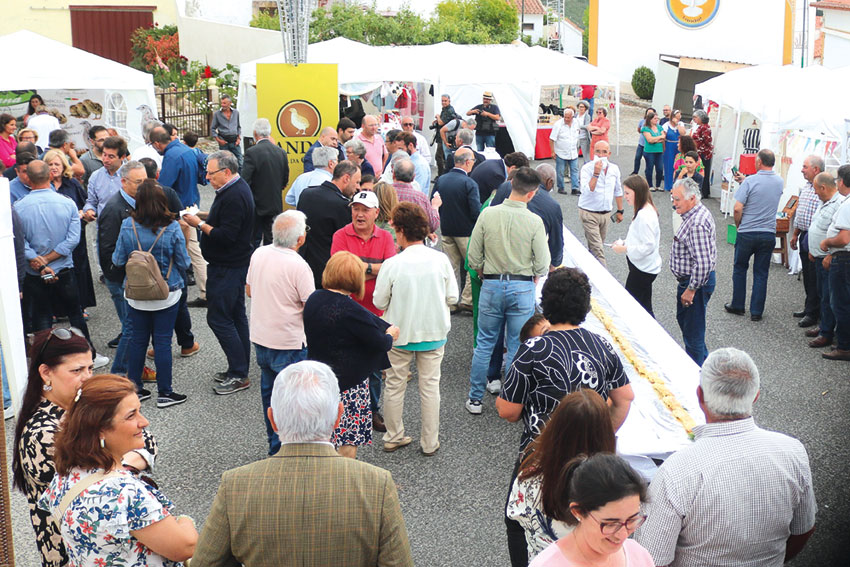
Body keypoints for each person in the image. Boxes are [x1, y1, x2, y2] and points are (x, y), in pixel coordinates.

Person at [190, 360, 413, 566]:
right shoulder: (377, 484)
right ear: (338, 417)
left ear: (273, 420)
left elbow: (205, 562)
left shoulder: (235, 485)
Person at [636, 348, 816, 565]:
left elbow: (650, 558)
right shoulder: (792, 452)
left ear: (700, 396)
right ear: (755, 396)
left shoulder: (675, 471)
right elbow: (804, 529)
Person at [13, 330, 156, 567]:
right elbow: (97, 489)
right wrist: (130, 463)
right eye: (77, 370)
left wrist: (122, 463)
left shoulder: (80, 407)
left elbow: (146, 440)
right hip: (75, 552)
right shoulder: (42, 433)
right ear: (46, 372)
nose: (87, 378)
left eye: (90, 368)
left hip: (106, 542)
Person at [40, 375, 197, 566]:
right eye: (131, 415)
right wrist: (185, 520)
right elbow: (185, 547)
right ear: (100, 429)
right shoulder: (125, 492)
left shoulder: (65, 475)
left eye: (140, 411)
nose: (144, 421)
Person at [373, 202, 458, 456]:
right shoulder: (440, 260)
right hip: (433, 333)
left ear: (400, 230)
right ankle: (429, 442)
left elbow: (379, 302)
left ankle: (393, 436)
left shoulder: (392, 264)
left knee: (394, 385)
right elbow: (453, 297)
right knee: (430, 387)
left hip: (399, 334)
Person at [466, 167, 551, 415]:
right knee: (517, 344)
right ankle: (511, 398)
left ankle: (475, 399)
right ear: (532, 193)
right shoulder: (535, 221)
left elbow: (473, 256)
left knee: (485, 343)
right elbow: (543, 264)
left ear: (511, 184)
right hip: (522, 286)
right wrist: (533, 275)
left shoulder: (488, 214)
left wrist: (483, 271)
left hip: (492, 283)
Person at [303, 251, 399, 459]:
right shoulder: (350, 309)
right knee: (348, 441)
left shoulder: (314, 299)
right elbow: (381, 342)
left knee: (323, 438)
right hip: (349, 387)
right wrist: (390, 334)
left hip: (318, 381)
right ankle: (342, 479)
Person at [14, 160, 108, 368]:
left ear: (28, 179)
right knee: (75, 314)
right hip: (63, 268)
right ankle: (88, 355)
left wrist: (39, 261)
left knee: (42, 317)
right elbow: (73, 239)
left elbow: (20, 241)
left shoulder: (19, 207)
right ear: (49, 176)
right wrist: (49, 259)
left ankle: (45, 361)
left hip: (35, 272)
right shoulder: (67, 203)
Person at [506, 390, 617, 564]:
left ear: (556, 425)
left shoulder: (531, 470)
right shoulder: (612, 486)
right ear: (605, 433)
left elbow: (514, 521)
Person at [111, 180, 191, 407]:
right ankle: (165, 392)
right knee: (163, 342)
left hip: (136, 292)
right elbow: (184, 262)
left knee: (138, 340)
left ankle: (135, 389)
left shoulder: (127, 225)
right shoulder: (172, 227)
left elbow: (117, 259)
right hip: (167, 291)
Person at [183, 151, 255, 394]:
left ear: (226, 172)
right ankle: (239, 367)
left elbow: (226, 235)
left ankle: (239, 374)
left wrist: (199, 224)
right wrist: (202, 216)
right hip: (232, 264)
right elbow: (224, 221)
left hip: (227, 266)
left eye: (211, 173)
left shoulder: (234, 195)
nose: (207, 177)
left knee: (219, 318)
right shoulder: (233, 189)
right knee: (236, 316)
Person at [246, 210, 314, 455]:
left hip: (261, 337)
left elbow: (249, 290)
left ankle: (275, 449)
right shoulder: (299, 266)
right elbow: (309, 306)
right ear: (300, 239)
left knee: (271, 399)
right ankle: (293, 450)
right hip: (289, 342)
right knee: (294, 403)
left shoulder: (259, 253)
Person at [330, 190, 397, 432]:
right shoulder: (340, 235)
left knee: (374, 365)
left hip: (375, 311)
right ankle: (341, 408)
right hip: (345, 309)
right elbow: (339, 270)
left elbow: (390, 269)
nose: (359, 214)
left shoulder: (385, 237)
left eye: (365, 210)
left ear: (376, 213)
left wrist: (359, 267)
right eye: (356, 209)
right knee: (343, 360)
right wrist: (374, 269)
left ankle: (372, 409)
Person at [530, 454, 653, 567]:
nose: (623, 534)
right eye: (611, 524)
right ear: (578, 512)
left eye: (631, 520)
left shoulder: (638, 556)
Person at [725, 149, 784, 321]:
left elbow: (738, 208)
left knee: (740, 267)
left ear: (759, 162)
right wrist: (745, 180)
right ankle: (756, 311)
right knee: (761, 272)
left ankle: (738, 304)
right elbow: (764, 189)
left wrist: (739, 225)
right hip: (768, 232)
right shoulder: (779, 181)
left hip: (748, 231)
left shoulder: (751, 182)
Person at [670, 178, 717, 365]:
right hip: (693, 281)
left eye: (677, 199)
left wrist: (691, 289)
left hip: (695, 283)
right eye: (673, 199)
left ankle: (697, 374)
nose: (674, 203)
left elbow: (703, 263)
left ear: (692, 199)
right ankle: (705, 368)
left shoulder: (696, 223)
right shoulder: (694, 214)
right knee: (689, 328)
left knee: (693, 335)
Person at [45, 149, 96, 313]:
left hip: (74, 235)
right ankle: (55, 309)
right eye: (50, 164)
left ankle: (80, 306)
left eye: (57, 164)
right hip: (51, 236)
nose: (54, 167)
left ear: (63, 166)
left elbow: (86, 204)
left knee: (78, 269)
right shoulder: (44, 186)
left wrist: (84, 213)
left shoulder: (72, 183)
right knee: (53, 270)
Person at [297, 160, 361, 288]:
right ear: (346, 178)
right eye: (357, 182)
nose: (358, 187)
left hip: (303, 266)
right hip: (328, 271)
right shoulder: (342, 205)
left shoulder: (306, 194)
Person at [433, 147, 480, 311]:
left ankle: (451, 301)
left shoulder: (441, 180)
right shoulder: (469, 183)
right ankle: (467, 299)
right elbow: (475, 211)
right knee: (471, 266)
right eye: (472, 161)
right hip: (466, 231)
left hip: (446, 228)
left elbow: (434, 202)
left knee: (450, 267)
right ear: (467, 162)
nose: (473, 163)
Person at [612, 175, 661, 316]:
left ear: (637, 192)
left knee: (631, 308)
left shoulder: (645, 216)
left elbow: (648, 246)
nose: (625, 196)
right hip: (644, 268)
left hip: (642, 270)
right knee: (644, 307)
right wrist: (624, 243)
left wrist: (624, 248)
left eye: (628, 193)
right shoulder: (645, 209)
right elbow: (640, 238)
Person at [806, 172, 843, 349]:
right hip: (819, 256)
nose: (814, 192)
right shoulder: (824, 202)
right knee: (823, 294)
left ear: (823, 187)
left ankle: (827, 333)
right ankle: (824, 326)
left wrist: (830, 254)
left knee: (829, 297)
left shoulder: (839, 204)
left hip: (828, 258)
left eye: (816, 189)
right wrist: (813, 249)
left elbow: (839, 234)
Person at [819, 165, 850, 361]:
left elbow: (844, 239)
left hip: (844, 258)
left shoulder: (847, 205)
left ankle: (844, 346)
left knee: (840, 303)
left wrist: (827, 242)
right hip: (843, 257)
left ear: (842, 181)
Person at [243, 118, 290, 246]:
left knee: (253, 240)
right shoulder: (281, 152)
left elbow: (245, 180)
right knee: (272, 241)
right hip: (275, 203)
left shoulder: (251, 152)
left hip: (256, 204)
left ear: (255, 133)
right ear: (270, 133)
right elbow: (285, 179)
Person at [790, 155, 824, 328]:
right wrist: (795, 234)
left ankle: (813, 312)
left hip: (815, 236)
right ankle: (809, 307)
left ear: (816, 169)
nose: (802, 170)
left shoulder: (822, 188)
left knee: (813, 276)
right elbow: (801, 213)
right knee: (807, 274)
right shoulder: (807, 186)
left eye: (805, 167)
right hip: (804, 234)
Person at [578, 141, 623, 266]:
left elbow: (618, 190)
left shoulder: (614, 169)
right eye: (598, 151)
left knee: (597, 247)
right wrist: (596, 173)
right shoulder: (587, 168)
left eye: (604, 152)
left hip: (605, 213)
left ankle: (589, 271)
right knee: (598, 250)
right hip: (589, 213)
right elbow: (587, 190)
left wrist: (620, 210)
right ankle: (604, 276)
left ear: (609, 154)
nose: (601, 155)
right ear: (593, 152)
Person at [82, 136, 127, 222]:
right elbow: (91, 202)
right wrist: (89, 211)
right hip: (103, 226)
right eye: (104, 154)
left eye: (111, 157)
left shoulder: (131, 175)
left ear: (122, 157)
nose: (106, 160)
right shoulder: (96, 176)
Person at [392, 158, 441, 234]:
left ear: (393, 174)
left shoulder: (383, 191)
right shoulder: (420, 198)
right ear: (413, 177)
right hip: (412, 238)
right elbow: (432, 225)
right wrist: (435, 207)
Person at [549, 108, 581, 195]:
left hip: (573, 152)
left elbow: (578, 133)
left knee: (575, 170)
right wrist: (552, 151)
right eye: (565, 117)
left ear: (572, 117)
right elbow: (552, 139)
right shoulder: (558, 124)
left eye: (568, 118)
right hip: (560, 152)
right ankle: (561, 187)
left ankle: (575, 188)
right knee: (560, 171)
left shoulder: (576, 123)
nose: (566, 119)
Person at [210, 94, 242, 170]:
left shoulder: (236, 113)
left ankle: (240, 176)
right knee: (224, 163)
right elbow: (212, 128)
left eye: (224, 103)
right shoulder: (217, 114)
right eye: (221, 103)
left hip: (234, 141)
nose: (222, 105)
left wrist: (239, 138)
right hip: (224, 141)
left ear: (230, 103)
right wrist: (218, 140)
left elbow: (238, 127)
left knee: (240, 162)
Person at [640, 111, 665, 191]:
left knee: (660, 168)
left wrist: (655, 139)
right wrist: (659, 138)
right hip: (649, 151)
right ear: (650, 119)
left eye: (657, 118)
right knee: (649, 168)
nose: (656, 120)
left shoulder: (659, 127)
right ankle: (650, 185)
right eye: (655, 118)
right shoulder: (645, 128)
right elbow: (649, 140)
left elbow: (664, 136)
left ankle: (658, 185)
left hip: (659, 150)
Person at [692, 110, 713, 198]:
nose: (694, 119)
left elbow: (708, 140)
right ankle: (701, 190)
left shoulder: (704, 127)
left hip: (704, 153)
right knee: (700, 171)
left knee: (703, 172)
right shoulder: (700, 127)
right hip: (699, 152)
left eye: (695, 117)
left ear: (701, 118)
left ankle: (703, 191)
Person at [662, 109, 685, 191]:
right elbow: (663, 138)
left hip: (678, 146)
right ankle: (668, 185)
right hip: (669, 146)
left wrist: (677, 124)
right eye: (677, 117)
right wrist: (664, 148)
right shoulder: (666, 125)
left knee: (679, 165)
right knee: (669, 165)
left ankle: (677, 185)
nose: (678, 119)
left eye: (679, 117)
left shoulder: (680, 124)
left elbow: (683, 133)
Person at [630, 108, 654, 176]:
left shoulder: (655, 123)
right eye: (648, 113)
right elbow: (639, 129)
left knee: (648, 160)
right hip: (641, 143)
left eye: (651, 113)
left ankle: (647, 172)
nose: (649, 114)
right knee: (637, 157)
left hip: (649, 145)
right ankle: (635, 171)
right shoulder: (642, 121)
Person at [576, 100, 592, 166]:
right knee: (574, 156)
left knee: (586, 156)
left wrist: (579, 127)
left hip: (584, 138)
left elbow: (587, 126)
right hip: (576, 138)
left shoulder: (587, 116)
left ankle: (586, 169)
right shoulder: (576, 115)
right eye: (580, 107)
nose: (581, 108)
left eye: (582, 107)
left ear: (585, 108)